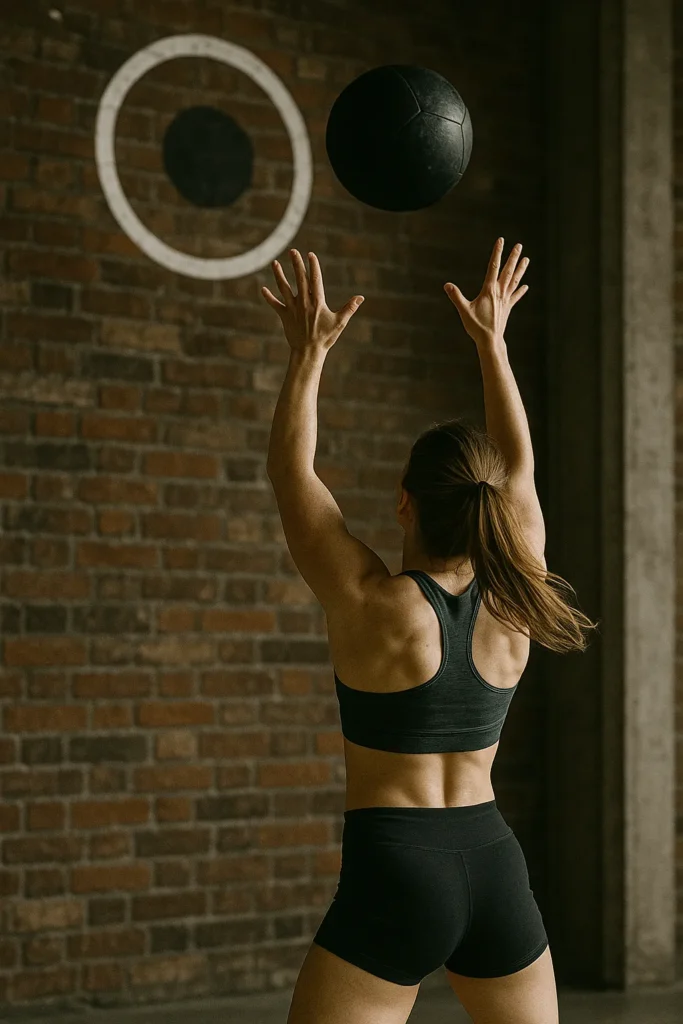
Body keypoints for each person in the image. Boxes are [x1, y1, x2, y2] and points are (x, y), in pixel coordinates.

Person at [263, 239, 598, 1024]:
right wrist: (494, 343)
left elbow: (292, 474)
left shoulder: (369, 602)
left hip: (396, 870)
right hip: (494, 868)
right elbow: (517, 471)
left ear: (403, 501)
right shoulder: (516, 602)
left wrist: (307, 353)